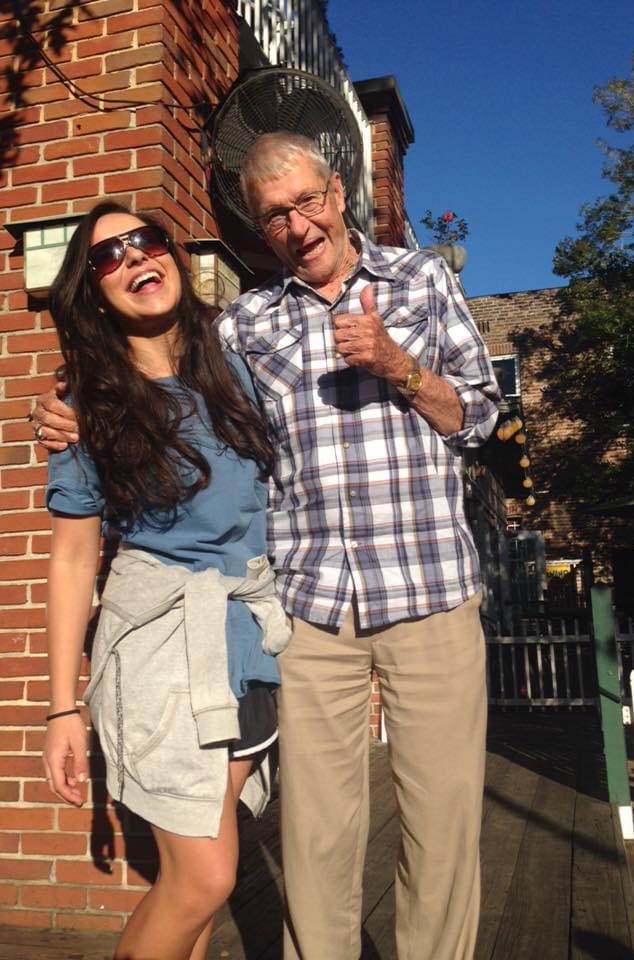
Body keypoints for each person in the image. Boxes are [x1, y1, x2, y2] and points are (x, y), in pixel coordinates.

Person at [35, 133, 500, 960]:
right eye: (275, 215)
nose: (299, 224)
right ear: (259, 229)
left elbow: (482, 418)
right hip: (308, 610)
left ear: (339, 191)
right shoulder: (248, 325)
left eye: (308, 200)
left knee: (442, 829)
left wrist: (401, 368)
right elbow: (146, 390)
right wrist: (69, 405)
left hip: (428, 589)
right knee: (315, 840)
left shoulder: (422, 279)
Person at [40, 200, 288, 960]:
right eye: (107, 256)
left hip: (245, 641)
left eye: (144, 241)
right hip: (160, 647)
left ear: (172, 256)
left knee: (196, 880)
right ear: (93, 293)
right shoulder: (86, 407)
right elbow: (72, 560)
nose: (134, 259)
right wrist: (62, 709)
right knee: (206, 879)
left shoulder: (235, 371)